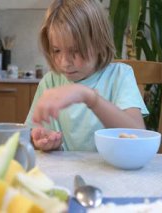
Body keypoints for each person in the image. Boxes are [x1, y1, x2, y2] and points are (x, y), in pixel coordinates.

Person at [25, 0, 149, 152]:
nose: (64, 63)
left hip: (112, 173)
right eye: (56, 50)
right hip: (66, 173)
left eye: (75, 50)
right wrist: (44, 140)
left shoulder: (120, 76)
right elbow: (30, 137)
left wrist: (89, 97)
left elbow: (138, 136)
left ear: (99, 43)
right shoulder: (49, 82)